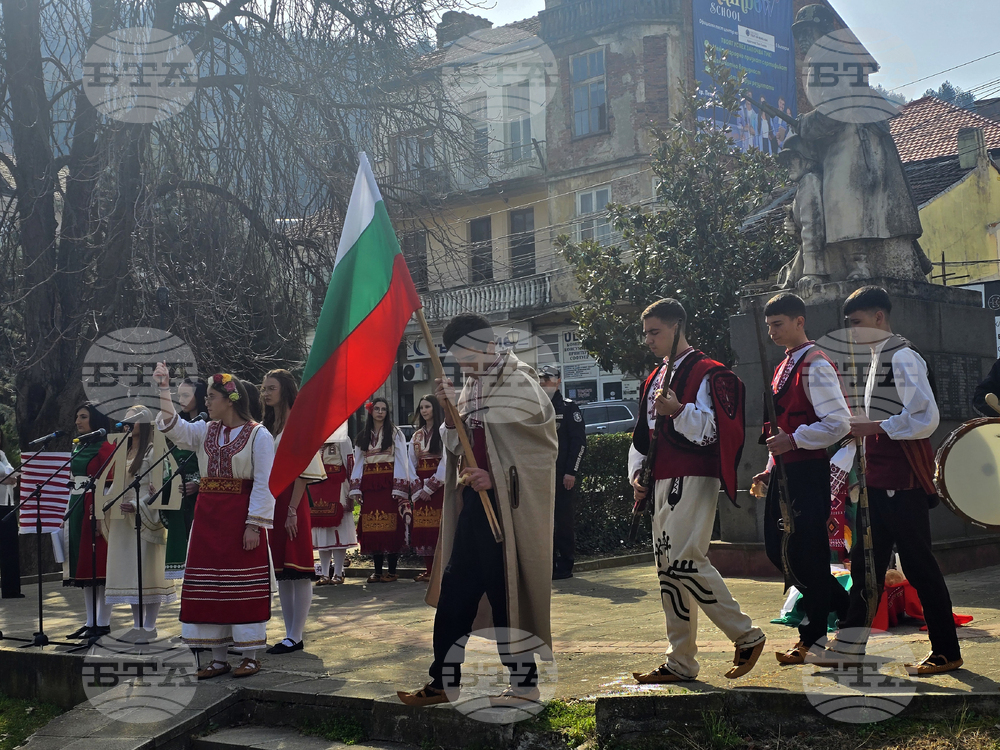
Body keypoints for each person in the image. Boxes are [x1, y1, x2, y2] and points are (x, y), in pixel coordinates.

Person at [398, 313, 558, 708]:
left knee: (507, 594)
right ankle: (443, 680)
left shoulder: (521, 382)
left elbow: (542, 449)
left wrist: (497, 476)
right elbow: (457, 447)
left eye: (467, 355)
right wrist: (451, 416)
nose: (463, 365)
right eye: (456, 357)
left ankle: (525, 685)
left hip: (508, 507)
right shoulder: (469, 385)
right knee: (456, 591)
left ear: (488, 345)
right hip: (474, 505)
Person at [812, 286, 963, 675]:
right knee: (867, 567)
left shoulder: (903, 357)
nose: (852, 333)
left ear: (879, 317)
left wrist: (872, 425)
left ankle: (946, 650)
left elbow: (925, 418)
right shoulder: (880, 357)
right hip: (878, 479)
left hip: (902, 482)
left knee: (918, 567)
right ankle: (849, 646)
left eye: (857, 323)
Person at [628, 299, 765, 683]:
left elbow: (717, 433)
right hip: (661, 478)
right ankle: (680, 661)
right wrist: (637, 474)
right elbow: (643, 437)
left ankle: (746, 634)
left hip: (692, 475)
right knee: (668, 571)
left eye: (655, 332)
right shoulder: (654, 376)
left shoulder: (708, 373)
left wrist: (677, 410)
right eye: (646, 334)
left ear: (676, 327)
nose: (649, 340)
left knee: (685, 560)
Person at [153, 362, 276, 679]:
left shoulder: (258, 435)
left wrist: (254, 525)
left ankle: (249, 655)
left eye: (210, 396)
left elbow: (264, 482)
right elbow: (175, 428)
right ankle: (218, 658)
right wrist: (164, 389)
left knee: (240, 586)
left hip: (239, 519)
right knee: (211, 589)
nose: (205, 401)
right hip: (207, 520)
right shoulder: (206, 430)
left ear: (230, 398)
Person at [750, 292, 852, 664]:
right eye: (768, 326)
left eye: (778, 324)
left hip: (808, 471)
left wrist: (793, 440)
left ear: (799, 321)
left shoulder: (814, 363)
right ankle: (848, 610)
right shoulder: (783, 365)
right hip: (786, 470)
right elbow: (780, 427)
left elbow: (838, 423)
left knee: (803, 554)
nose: (772, 332)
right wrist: (771, 463)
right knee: (780, 551)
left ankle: (813, 638)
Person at [262, 369, 326, 655]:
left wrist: (291, 510)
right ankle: (288, 633)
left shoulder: (298, 424)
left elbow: (303, 470)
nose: (265, 393)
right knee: (282, 570)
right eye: (263, 388)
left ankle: (297, 634)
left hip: (292, 500)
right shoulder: (268, 424)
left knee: (298, 568)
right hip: (272, 500)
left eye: (271, 388)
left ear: (285, 390)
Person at [104, 406, 176, 638]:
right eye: (125, 420)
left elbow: (158, 486)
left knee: (148, 571)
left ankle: (150, 626)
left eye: (132, 420)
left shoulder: (153, 450)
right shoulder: (124, 451)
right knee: (131, 574)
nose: (127, 424)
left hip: (144, 517)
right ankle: (137, 626)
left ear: (144, 424)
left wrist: (137, 505)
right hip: (123, 520)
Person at [64, 402, 116, 640]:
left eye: (83, 417)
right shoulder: (78, 447)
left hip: (94, 507)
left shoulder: (105, 447)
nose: (78, 421)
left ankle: (103, 624)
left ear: (95, 419)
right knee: (83, 569)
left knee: (99, 568)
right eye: (77, 417)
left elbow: (109, 482)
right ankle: (90, 621)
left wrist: (99, 513)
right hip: (76, 506)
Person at [349, 397, 411, 583]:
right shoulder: (362, 436)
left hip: (388, 484)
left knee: (391, 526)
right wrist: (356, 488)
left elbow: (401, 459)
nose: (380, 412)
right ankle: (377, 571)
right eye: (377, 408)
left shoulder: (395, 433)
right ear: (371, 411)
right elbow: (359, 462)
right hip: (370, 485)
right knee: (372, 526)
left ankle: (391, 571)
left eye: (384, 409)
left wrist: (399, 487)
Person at [538, 366, 586, 580]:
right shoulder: (536, 408)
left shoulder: (568, 408)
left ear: (558, 381)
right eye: (540, 379)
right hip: (540, 476)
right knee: (542, 523)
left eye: (547, 379)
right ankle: (546, 564)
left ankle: (565, 565)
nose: (543, 382)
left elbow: (579, 443)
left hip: (561, 475)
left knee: (563, 522)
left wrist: (571, 472)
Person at [163, 377, 207, 580]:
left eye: (186, 395)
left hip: (202, 494)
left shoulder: (208, 425)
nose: (181, 399)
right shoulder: (179, 425)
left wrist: (198, 483)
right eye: (178, 395)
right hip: (178, 492)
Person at [310, 426, 356, 586]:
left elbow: (350, 463)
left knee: (339, 532)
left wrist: (353, 489)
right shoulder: (312, 439)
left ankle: (338, 572)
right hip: (316, 489)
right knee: (321, 532)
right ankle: (324, 573)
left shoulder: (342, 438)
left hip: (338, 490)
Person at [408, 395, 447, 582]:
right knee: (423, 527)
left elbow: (447, 461)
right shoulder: (416, 435)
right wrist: (417, 488)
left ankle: (441, 570)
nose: (424, 410)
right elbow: (410, 463)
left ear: (435, 409)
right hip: (420, 483)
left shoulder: (443, 432)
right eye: (421, 407)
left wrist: (431, 486)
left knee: (438, 527)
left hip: (438, 485)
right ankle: (429, 569)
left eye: (428, 406)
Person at [0, 429, 23, 599]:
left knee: (10, 548)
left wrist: (10, 480)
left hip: (7, 504)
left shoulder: (2, 454)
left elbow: (11, 473)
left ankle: (11, 589)